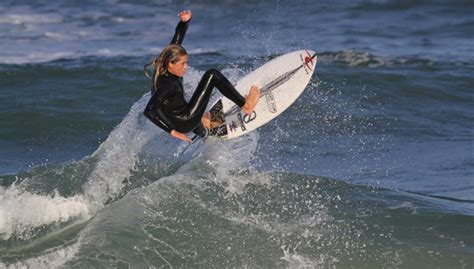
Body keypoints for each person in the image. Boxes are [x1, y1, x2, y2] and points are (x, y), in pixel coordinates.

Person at [143, 10, 260, 143]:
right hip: (184, 121)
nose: (186, 66)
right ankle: (246, 105)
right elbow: (149, 110)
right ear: (171, 64)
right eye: (183, 64)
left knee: (182, 106)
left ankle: (204, 133)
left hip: (179, 118)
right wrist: (172, 131)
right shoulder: (168, 85)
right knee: (212, 75)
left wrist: (184, 22)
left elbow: (177, 40)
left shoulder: (163, 65)